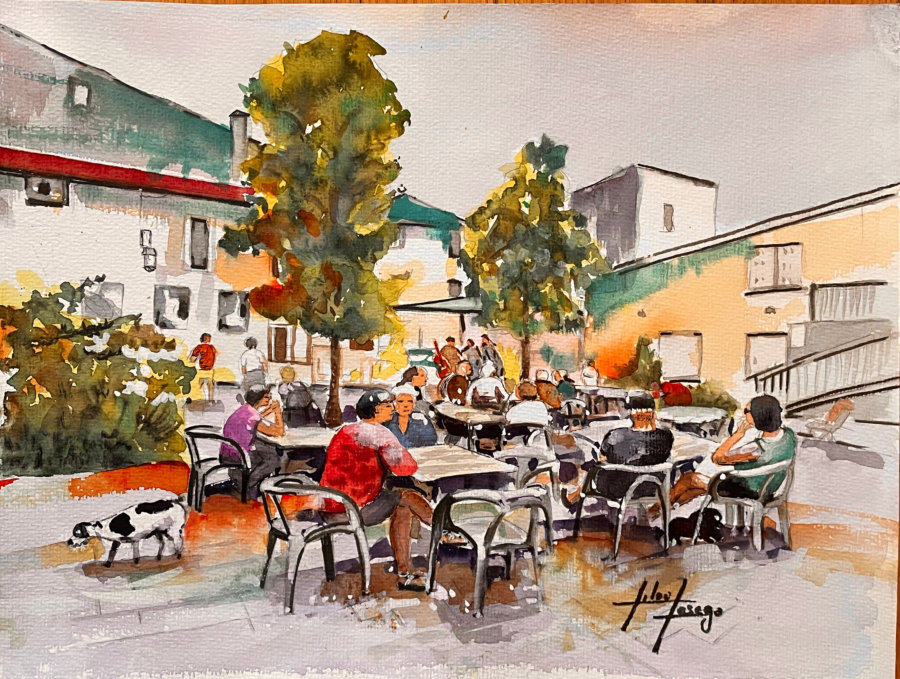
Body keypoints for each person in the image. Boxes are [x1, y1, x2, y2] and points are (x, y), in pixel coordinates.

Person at [320, 389, 434, 590]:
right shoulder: (379, 433)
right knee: (407, 497)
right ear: (374, 410)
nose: (392, 409)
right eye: (387, 405)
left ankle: (405, 572)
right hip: (354, 510)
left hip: (331, 506)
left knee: (402, 505)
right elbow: (406, 468)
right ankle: (441, 528)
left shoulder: (345, 431)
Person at [670, 395, 797, 507]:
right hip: (767, 489)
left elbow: (717, 458)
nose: (743, 414)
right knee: (694, 489)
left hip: (747, 490)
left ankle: (662, 508)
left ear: (757, 416)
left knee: (690, 478)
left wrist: (738, 435)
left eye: (746, 411)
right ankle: (671, 506)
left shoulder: (756, 449)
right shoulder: (789, 436)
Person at [220, 384, 285, 499]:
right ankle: (248, 484)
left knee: (267, 451)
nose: (269, 399)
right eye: (266, 397)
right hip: (238, 456)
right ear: (258, 399)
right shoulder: (251, 416)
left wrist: (270, 410)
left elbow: (257, 417)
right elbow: (278, 432)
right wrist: (278, 411)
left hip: (228, 453)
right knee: (273, 459)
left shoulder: (245, 410)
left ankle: (249, 484)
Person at [189, 333, 218, 401]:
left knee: (200, 384)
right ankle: (210, 400)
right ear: (206, 339)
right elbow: (216, 354)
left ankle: (196, 399)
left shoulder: (199, 347)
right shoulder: (211, 347)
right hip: (209, 369)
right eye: (209, 338)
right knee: (210, 385)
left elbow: (192, 359)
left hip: (201, 369)